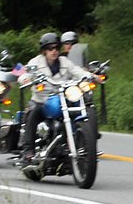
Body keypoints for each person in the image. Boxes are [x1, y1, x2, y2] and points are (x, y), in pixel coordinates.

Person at [17, 32, 92, 162]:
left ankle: (80, 144)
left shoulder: (65, 61)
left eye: (56, 48)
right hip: (42, 100)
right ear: (44, 50)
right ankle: (28, 149)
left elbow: (77, 71)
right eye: (50, 48)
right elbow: (22, 71)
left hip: (63, 98)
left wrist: (90, 76)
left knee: (78, 108)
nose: (54, 51)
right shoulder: (35, 61)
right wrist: (25, 79)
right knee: (33, 112)